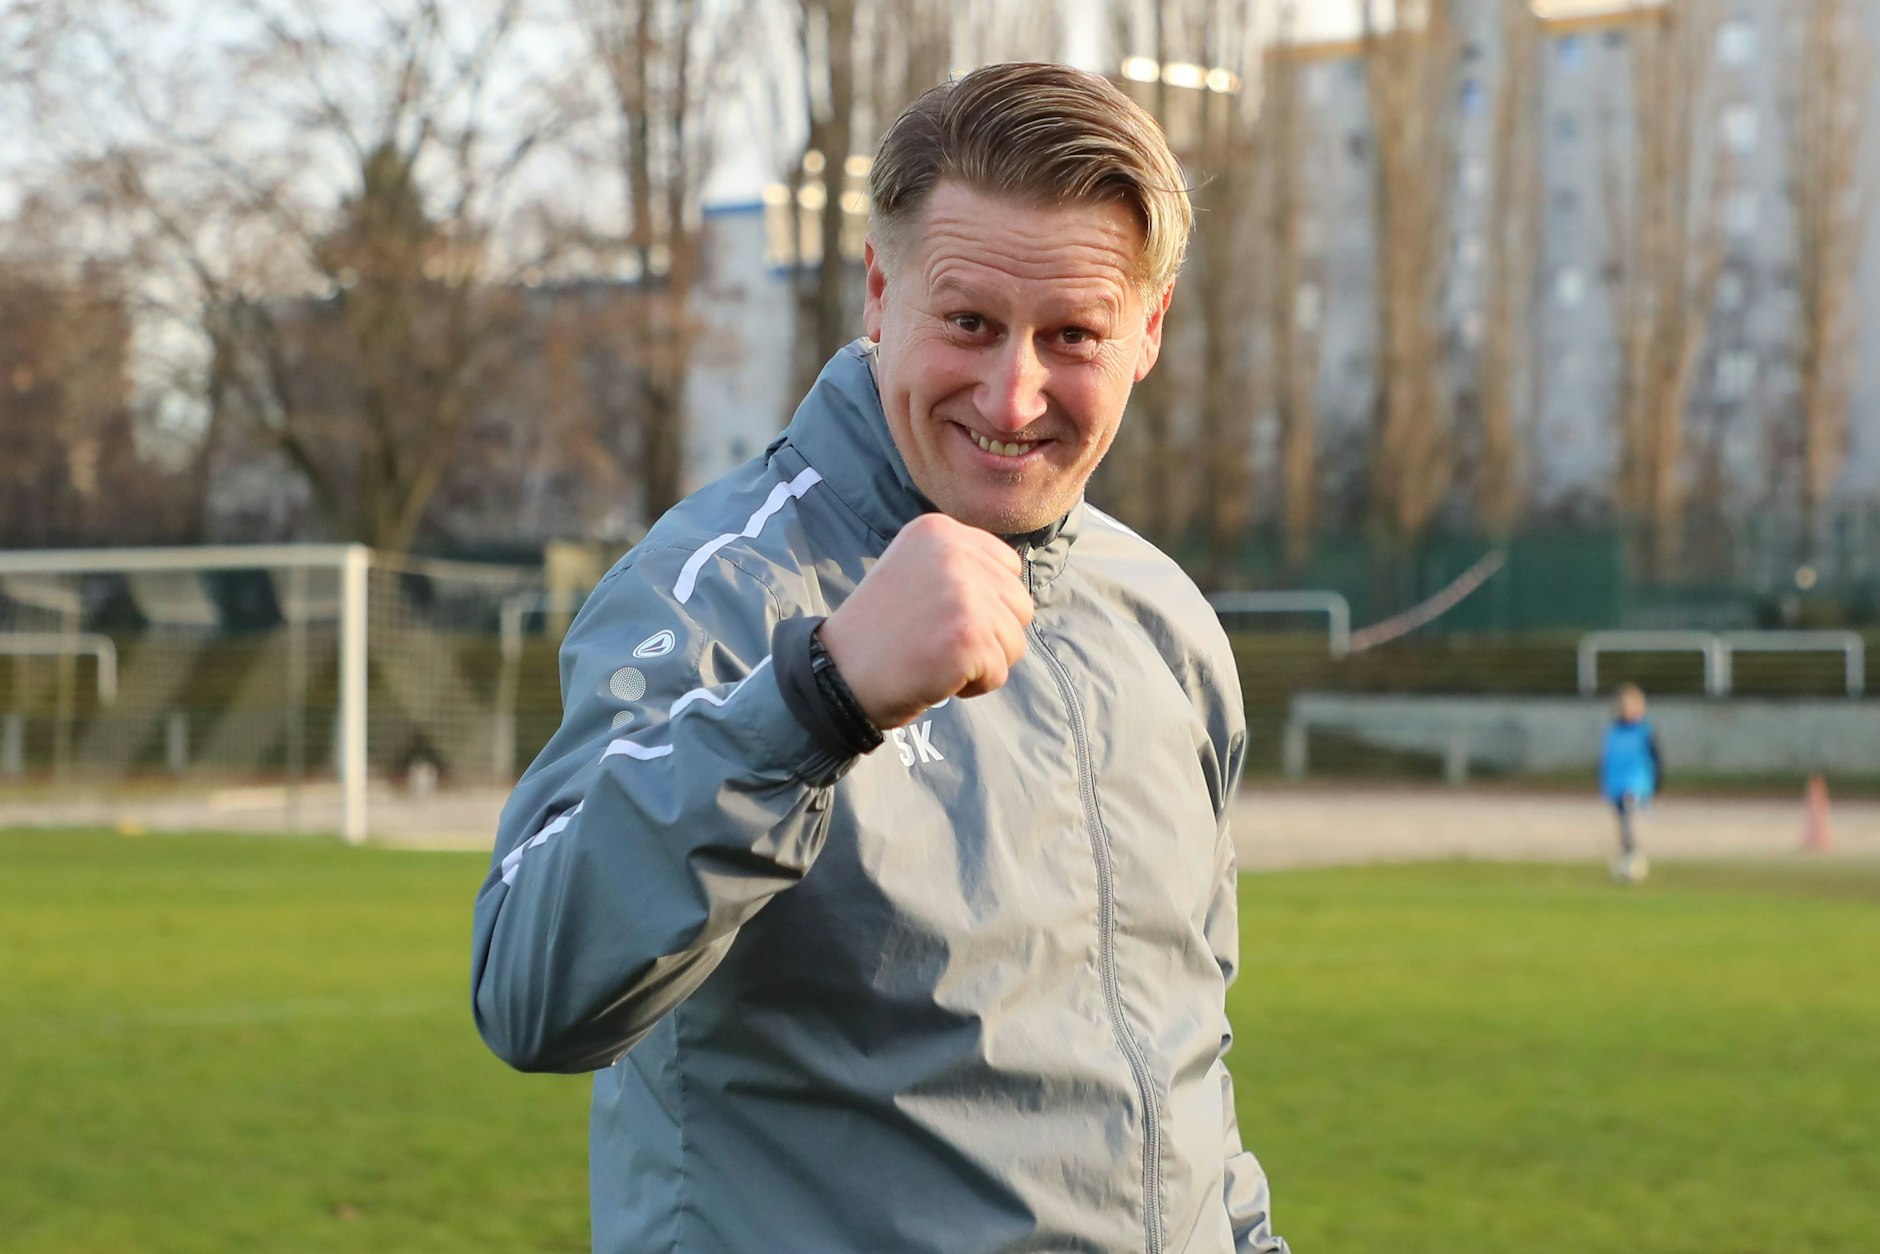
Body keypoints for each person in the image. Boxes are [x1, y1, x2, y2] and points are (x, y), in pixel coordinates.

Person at [471, 62, 1288, 1253]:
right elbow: (529, 991)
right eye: (968, 323)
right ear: (876, 292)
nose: (1012, 397)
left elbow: (1183, 1062)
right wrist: (818, 700)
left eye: (1071, 335)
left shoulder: (1160, 618)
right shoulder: (717, 590)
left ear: (1147, 333)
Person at [1600, 682, 1662, 883]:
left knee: (1629, 818)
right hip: (1616, 784)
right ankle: (1628, 854)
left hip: (1635, 783)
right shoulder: (1613, 731)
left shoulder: (1644, 731)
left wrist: (1655, 783)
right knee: (1622, 820)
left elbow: (1655, 758)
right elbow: (1607, 759)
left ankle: (1631, 858)